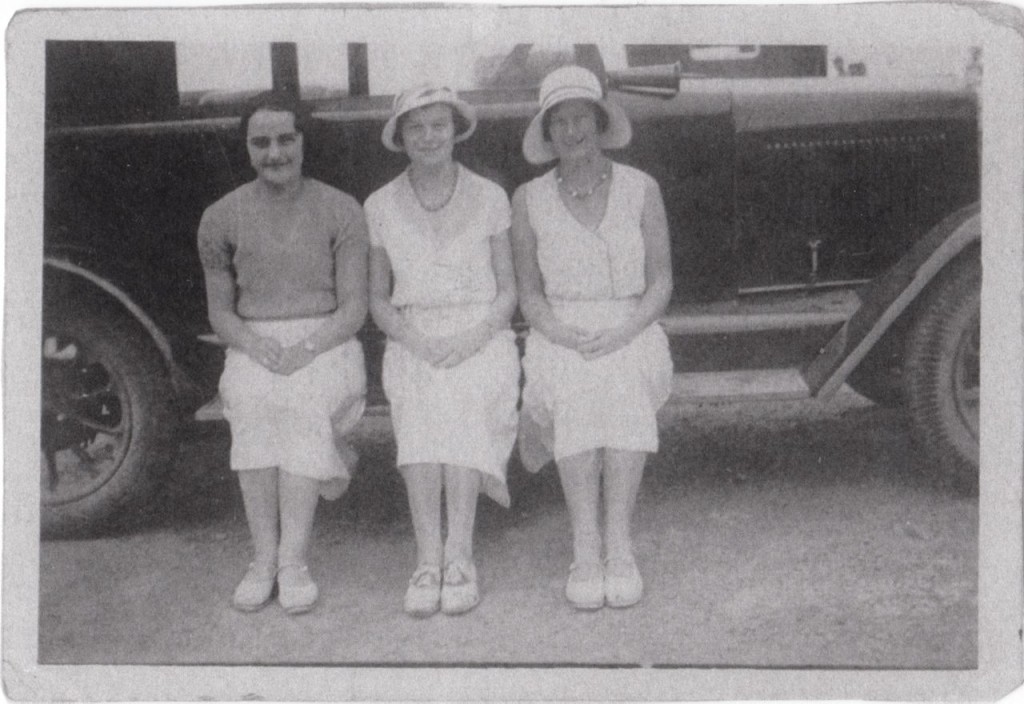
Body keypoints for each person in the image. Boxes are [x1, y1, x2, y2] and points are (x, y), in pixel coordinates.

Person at [198, 91, 369, 615]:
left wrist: (307, 347)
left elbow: (354, 308)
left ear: (303, 142)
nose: (275, 152)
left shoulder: (342, 209)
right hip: (255, 342)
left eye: (285, 139)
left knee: (301, 402)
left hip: (329, 341)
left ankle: (293, 561)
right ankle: (262, 559)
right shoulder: (220, 216)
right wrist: (255, 344)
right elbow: (221, 313)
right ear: (248, 149)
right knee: (250, 402)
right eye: (261, 142)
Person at [510, 66, 673, 609]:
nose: (572, 129)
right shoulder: (528, 198)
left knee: (624, 375)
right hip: (560, 327)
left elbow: (661, 284)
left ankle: (619, 543)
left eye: (581, 116)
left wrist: (625, 330)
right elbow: (529, 296)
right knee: (576, 383)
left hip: (632, 322)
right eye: (559, 120)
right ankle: (585, 544)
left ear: (601, 123)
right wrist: (566, 334)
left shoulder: (642, 187)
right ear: (547, 131)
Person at [366, 85, 519, 617]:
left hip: (481, 332)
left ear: (455, 131)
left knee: (464, 391)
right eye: (416, 127)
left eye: (438, 125)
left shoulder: (491, 197)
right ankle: (427, 557)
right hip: (414, 334)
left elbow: (508, 292)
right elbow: (379, 302)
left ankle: (460, 555)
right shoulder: (380, 204)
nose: (428, 136)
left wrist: (470, 338)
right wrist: (420, 342)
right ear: (401, 138)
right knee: (423, 395)